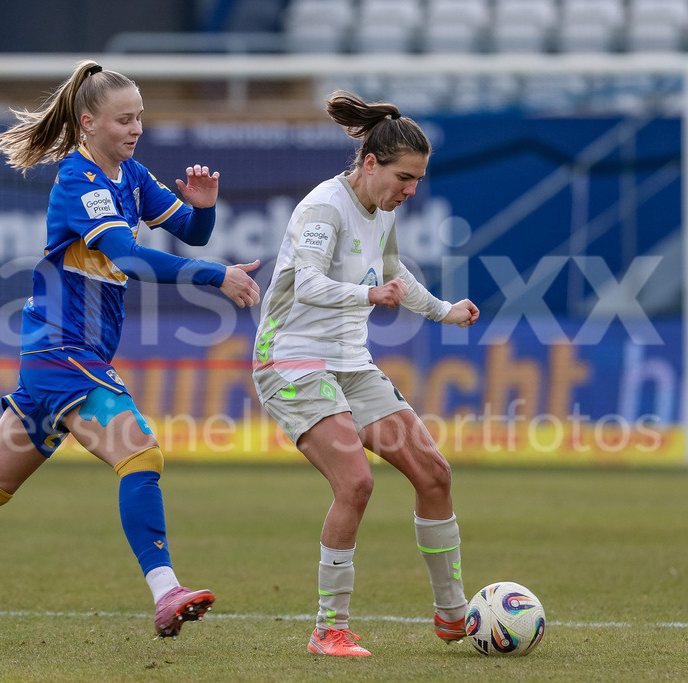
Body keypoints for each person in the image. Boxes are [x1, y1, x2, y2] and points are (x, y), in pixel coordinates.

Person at [0, 62, 261, 639]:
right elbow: (128, 257)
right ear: (88, 123)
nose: (136, 128)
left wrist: (203, 207)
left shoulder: (131, 175)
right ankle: (166, 592)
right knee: (140, 456)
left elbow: (192, 231)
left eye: (139, 117)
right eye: (123, 119)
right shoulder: (79, 181)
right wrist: (214, 276)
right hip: (64, 350)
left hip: (58, 355)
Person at [251, 91, 480, 657]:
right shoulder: (324, 208)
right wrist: (367, 295)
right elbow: (306, 283)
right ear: (371, 163)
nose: (411, 190)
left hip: (351, 363)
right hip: (292, 359)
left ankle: (454, 615)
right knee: (355, 482)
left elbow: (395, 273)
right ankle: (328, 629)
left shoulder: (383, 212)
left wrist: (444, 311)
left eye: (418, 180)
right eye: (404, 177)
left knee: (434, 473)